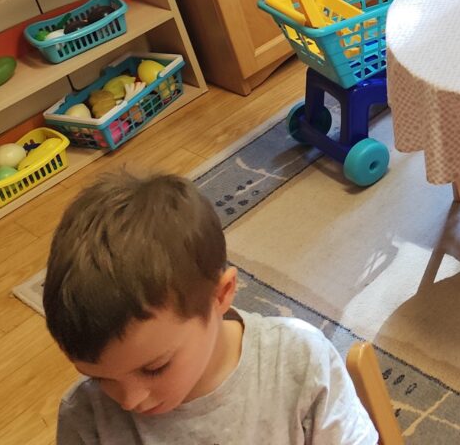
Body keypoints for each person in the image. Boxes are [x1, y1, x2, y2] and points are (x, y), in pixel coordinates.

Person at [43, 172, 376, 444]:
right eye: (99, 377)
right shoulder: (86, 416)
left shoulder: (299, 362)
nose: (129, 400)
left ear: (221, 295)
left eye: (155, 368)